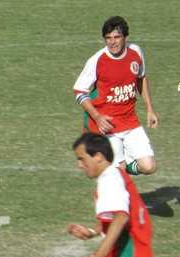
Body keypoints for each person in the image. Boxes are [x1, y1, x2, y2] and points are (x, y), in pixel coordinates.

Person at [73, 16, 159, 176]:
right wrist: (97, 117)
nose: (112, 42)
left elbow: (141, 78)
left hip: (130, 121)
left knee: (149, 167)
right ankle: (122, 172)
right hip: (108, 126)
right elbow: (79, 90)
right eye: (108, 38)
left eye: (117, 37)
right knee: (117, 175)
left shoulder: (136, 52)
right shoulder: (97, 60)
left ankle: (128, 166)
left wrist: (149, 109)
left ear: (126, 37)